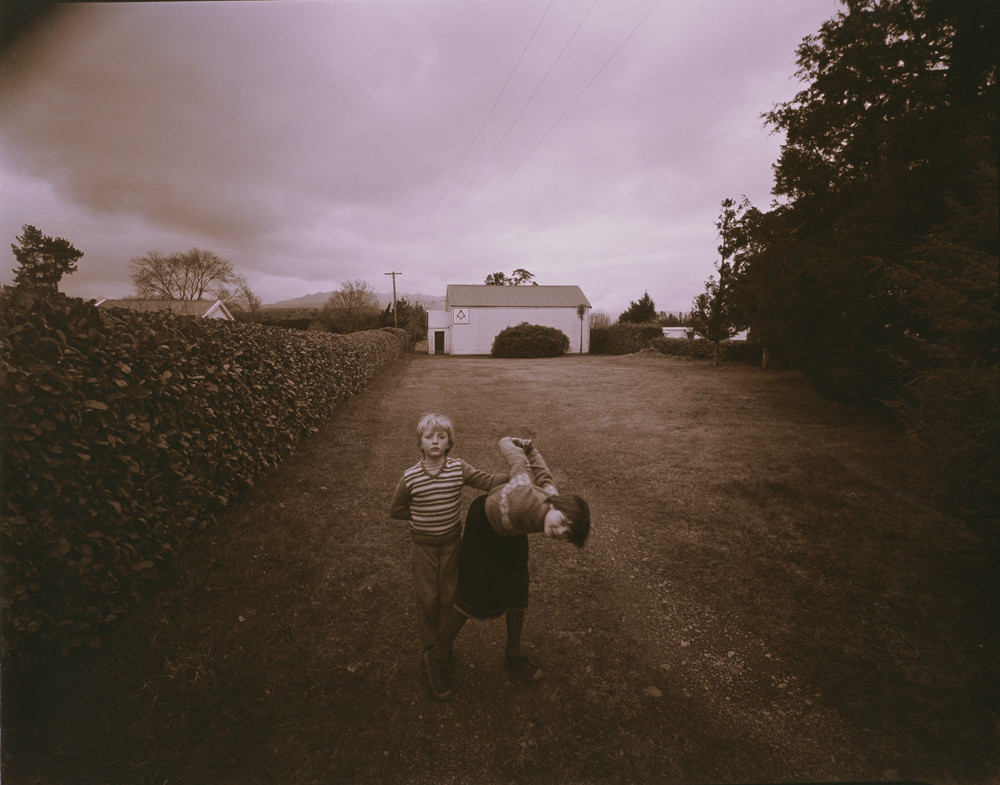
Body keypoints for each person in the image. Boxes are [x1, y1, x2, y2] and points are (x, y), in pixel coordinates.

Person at [424, 436, 590, 701]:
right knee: (471, 595)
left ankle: (513, 656)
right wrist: (510, 443)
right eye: (561, 524)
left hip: (511, 533)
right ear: (556, 508)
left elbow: (543, 473)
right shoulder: (523, 495)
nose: (558, 532)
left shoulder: (553, 499)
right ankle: (437, 658)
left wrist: (533, 449)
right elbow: (518, 465)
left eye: (565, 534)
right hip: (484, 529)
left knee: (517, 591)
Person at [389, 413, 508, 697]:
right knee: (427, 598)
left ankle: (444, 650)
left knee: (449, 597)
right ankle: (430, 653)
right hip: (424, 548)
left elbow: (487, 481)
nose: (435, 441)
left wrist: (514, 474)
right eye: (429, 437)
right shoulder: (411, 477)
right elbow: (397, 510)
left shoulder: (458, 468)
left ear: (449, 442)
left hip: (454, 545)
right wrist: (422, 518)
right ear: (420, 442)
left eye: (441, 437)